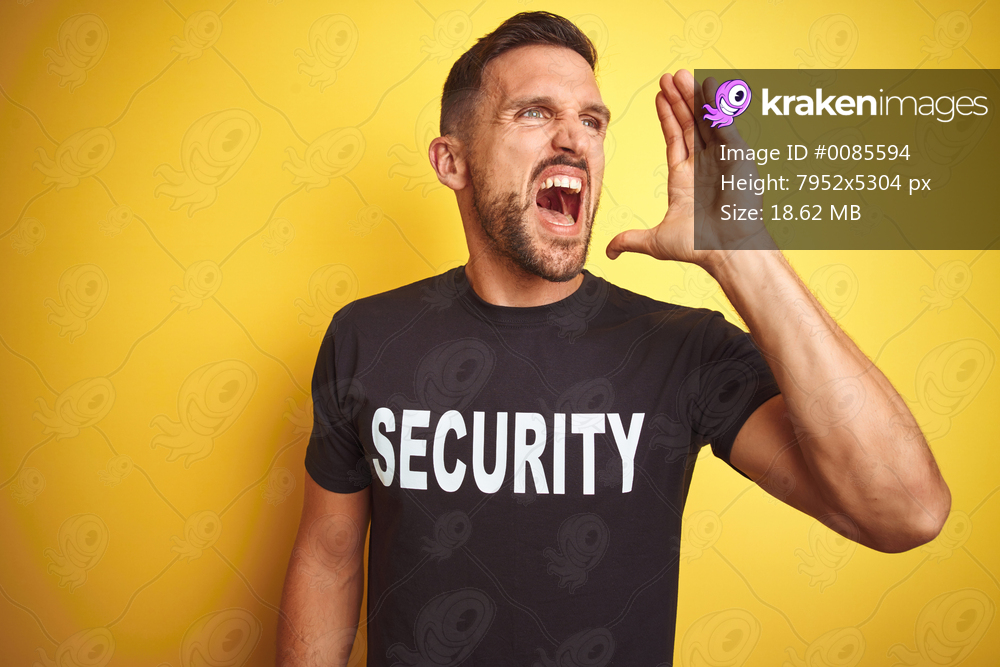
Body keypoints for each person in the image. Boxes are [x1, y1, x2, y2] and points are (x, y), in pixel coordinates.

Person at [276, 11, 950, 666]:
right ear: (451, 160)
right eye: (535, 112)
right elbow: (328, 557)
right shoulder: (366, 337)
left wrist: (742, 250)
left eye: (592, 120)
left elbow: (907, 511)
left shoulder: (682, 351)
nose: (574, 138)